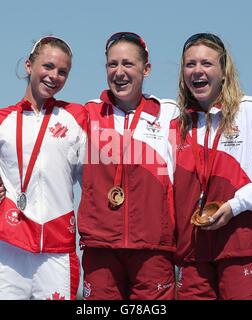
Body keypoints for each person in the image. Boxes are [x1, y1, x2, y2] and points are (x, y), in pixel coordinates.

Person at [171, 33, 252, 300]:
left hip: (241, 247)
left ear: (224, 70)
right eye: (190, 64)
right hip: (192, 254)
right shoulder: (176, 122)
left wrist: (236, 205)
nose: (197, 71)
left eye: (206, 63)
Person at [0, 35, 87, 300]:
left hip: (57, 249)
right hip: (10, 249)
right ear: (29, 66)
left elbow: (91, 182)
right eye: (48, 66)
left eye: (63, 72)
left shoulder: (76, 118)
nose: (54, 76)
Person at [77, 32, 179, 300]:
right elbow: (51, 154)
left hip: (153, 247)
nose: (119, 72)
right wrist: (10, 180)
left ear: (146, 69)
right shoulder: (87, 114)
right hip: (101, 247)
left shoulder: (169, 113)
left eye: (127, 64)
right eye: (112, 64)